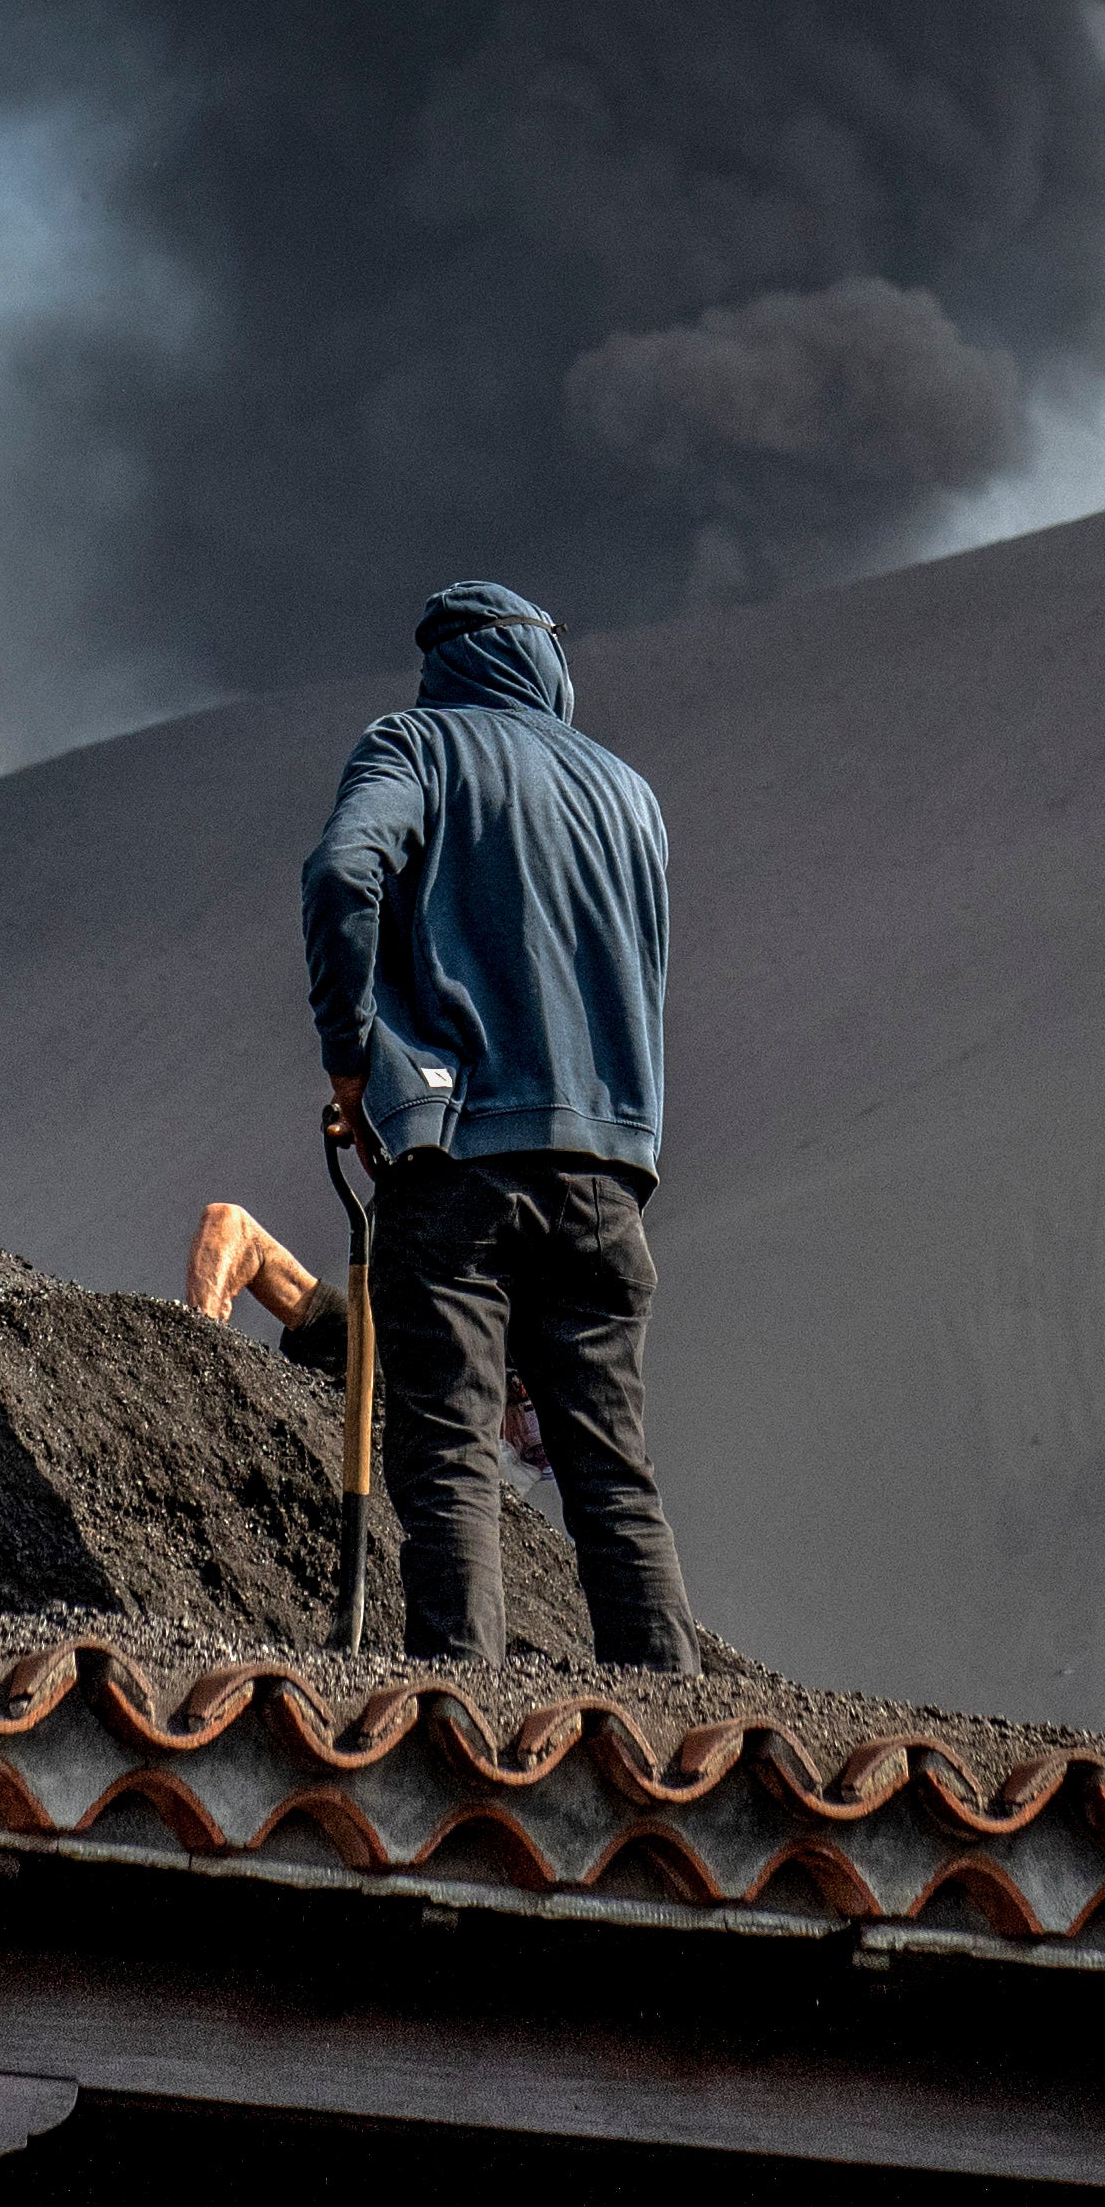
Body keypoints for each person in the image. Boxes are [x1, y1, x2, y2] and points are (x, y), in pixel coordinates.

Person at [298, 575, 693, 1669]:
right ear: (546, 664)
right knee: (613, 1474)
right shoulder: (631, 794)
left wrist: (349, 1058)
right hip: (609, 1178)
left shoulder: (416, 747)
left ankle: (460, 1733)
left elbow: (343, 872)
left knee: (450, 1454)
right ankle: (671, 1752)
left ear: (445, 665)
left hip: (460, 1158)